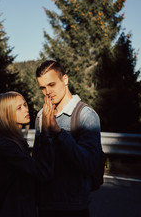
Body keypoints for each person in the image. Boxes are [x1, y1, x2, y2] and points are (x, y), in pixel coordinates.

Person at [33, 60, 102, 217]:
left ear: (65, 79)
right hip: (44, 206)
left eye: (51, 85)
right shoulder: (40, 116)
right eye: (42, 88)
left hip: (74, 208)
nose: (47, 92)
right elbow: (39, 163)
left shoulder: (86, 116)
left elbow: (90, 164)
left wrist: (58, 132)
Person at [0, 91, 54, 217]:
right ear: (6, 115)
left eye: (25, 105)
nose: (26, 110)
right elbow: (42, 173)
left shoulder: (16, 143)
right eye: (19, 108)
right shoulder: (7, 147)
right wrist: (46, 133)